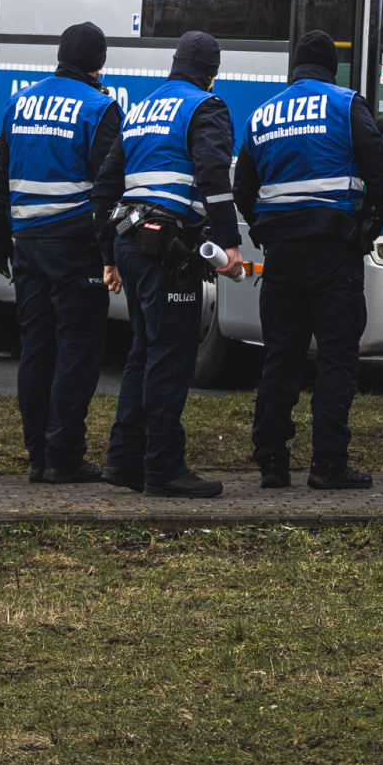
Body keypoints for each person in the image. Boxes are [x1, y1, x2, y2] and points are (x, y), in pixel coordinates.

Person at [236, 29, 383, 490]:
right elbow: (380, 172)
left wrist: (265, 228)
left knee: (280, 360)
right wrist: (368, 228)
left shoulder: (263, 114)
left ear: (294, 68)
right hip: (334, 253)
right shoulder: (346, 104)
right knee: (337, 359)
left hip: (282, 256)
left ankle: (271, 463)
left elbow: (244, 189)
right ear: (332, 67)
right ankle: (328, 465)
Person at [103, 30, 249, 500]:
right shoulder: (206, 106)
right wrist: (229, 242)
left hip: (131, 239)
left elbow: (105, 185)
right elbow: (212, 174)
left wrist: (109, 254)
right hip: (167, 246)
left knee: (144, 351)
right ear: (213, 73)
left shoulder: (142, 108)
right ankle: (163, 468)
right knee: (170, 356)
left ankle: (124, 461)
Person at [0, 21, 124, 484]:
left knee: (36, 348)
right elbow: (107, 187)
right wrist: (111, 252)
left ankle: (37, 456)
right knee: (78, 349)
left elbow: (0, 175)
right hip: (76, 247)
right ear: (98, 63)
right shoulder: (101, 108)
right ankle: (64, 455)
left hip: (27, 244)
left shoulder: (19, 101)